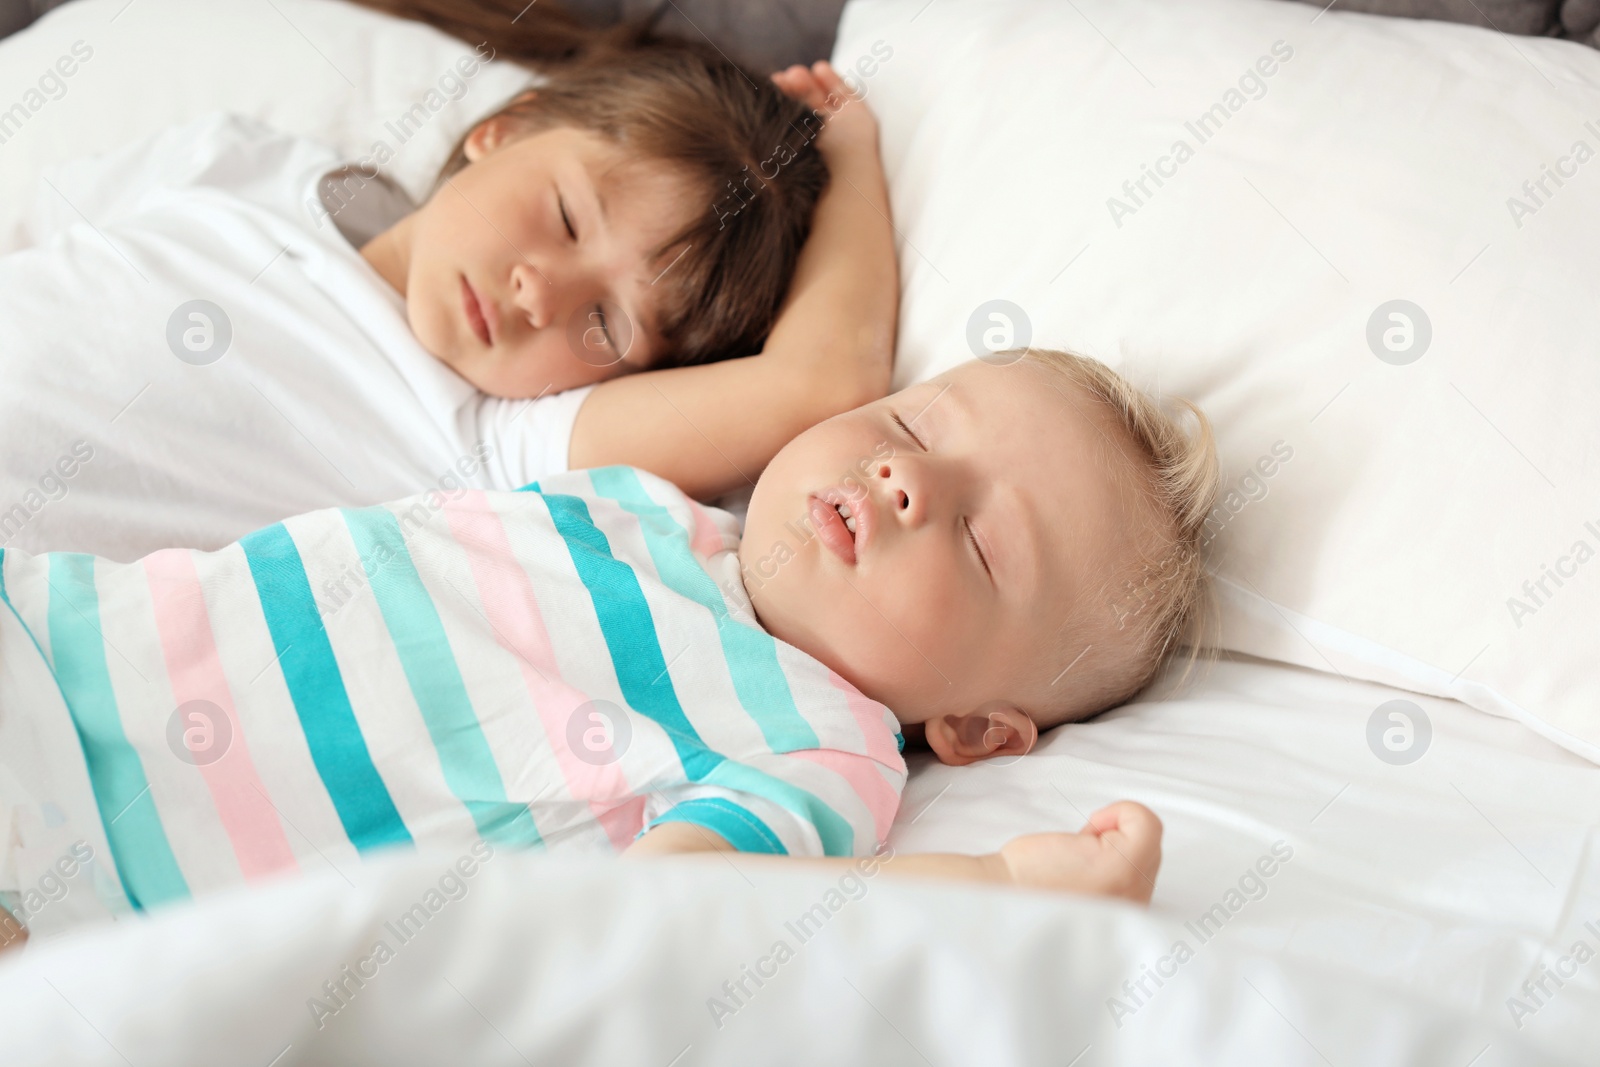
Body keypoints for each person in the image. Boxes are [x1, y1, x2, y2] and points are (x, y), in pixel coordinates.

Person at [0, 349, 1217, 946]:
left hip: (112, 871)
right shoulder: (636, 501)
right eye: (909, 422)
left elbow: (689, 907)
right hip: (57, 635)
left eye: (983, 543)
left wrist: (1002, 885)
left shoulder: (822, 743)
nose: (907, 477)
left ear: (974, 727)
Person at [0, 38, 894, 559]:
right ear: (503, 129)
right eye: (566, 217)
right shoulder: (241, 163)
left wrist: (850, 149)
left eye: (603, 322)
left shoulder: (492, 440)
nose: (541, 290)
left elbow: (822, 380)